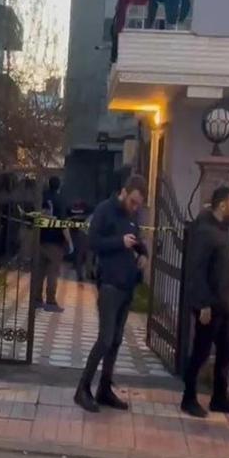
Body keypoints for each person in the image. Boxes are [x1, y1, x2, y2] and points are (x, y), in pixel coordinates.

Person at [74, 174, 148, 413]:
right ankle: (82, 389)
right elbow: (93, 242)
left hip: (127, 284)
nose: (134, 207)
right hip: (109, 284)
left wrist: (143, 253)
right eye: (133, 202)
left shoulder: (131, 215)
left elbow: (136, 239)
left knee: (116, 340)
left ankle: (104, 389)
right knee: (105, 339)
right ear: (124, 192)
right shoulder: (105, 210)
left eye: (138, 204)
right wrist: (119, 242)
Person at [181, 186, 229, 419]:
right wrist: (203, 303)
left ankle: (219, 398)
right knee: (201, 352)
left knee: (226, 352)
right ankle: (188, 398)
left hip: (226, 305)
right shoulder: (205, 231)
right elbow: (196, 270)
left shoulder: (222, 230)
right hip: (210, 306)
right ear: (223, 205)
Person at [31, 176, 73, 312]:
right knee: (52, 272)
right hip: (55, 241)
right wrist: (69, 242)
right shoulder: (60, 200)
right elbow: (63, 224)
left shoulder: (41, 197)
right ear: (59, 186)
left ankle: (36, 299)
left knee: (39, 271)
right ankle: (50, 301)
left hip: (40, 239)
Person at [67, 199, 91, 283]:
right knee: (82, 253)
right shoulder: (72, 209)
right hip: (81, 232)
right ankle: (81, 274)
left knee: (84, 254)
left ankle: (85, 273)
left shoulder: (88, 211)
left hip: (83, 232)